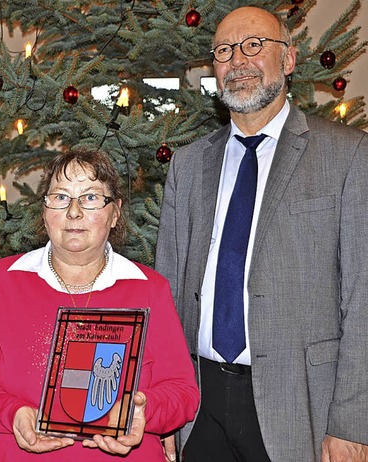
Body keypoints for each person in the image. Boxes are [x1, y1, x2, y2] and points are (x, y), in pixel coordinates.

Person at [155, 6, 368, 462]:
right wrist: (164, 407)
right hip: (199, 405)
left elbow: (364, 297)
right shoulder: (188, 166)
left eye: (254, 45)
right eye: (224, 51)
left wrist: (352, 422)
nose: (238, 60)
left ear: (288, 60)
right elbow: (168, 292)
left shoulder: (348, 157)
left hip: (301, 407)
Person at [0, 150, 199, 461]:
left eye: (91, 197)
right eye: (61, 197)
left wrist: (145, 411)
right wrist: (11, 413)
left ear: (115, 212)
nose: (74, 212)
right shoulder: (2, 281)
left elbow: (182, 391)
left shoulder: (149, 288)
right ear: (44, 211)